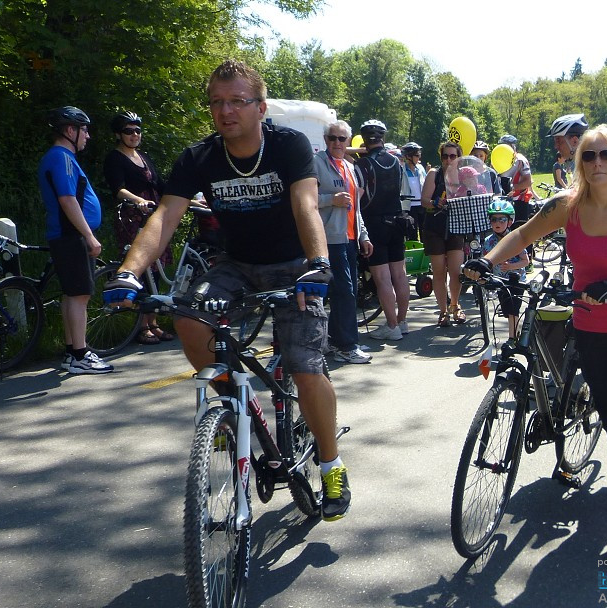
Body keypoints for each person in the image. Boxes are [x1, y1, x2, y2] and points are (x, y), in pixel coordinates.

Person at [103, 59, 350, 519]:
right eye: (217, 102)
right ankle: (235, 406)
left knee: (305, 366)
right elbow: (163, 219)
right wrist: (128, 272)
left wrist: (319, 264)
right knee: (188, 321)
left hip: (295, 266)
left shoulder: (288, 145)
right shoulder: (199, 157)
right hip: (236, 265)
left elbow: (305, 205)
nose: (226, 110)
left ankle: (332, 463)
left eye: (237, 101)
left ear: (260, 107)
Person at [464, 123, 607, 564]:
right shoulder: (568, 206)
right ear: (579, 163)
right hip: (591, 323)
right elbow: (522, 234)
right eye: (588, 156)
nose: (597, 163)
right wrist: (486, 261)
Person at [39, 106, 114, 374]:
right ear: (71, 130)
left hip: (67, 235)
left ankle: (72, 352)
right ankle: (82, 354)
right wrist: (89, 236)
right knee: (80, 295)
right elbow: (68, 199)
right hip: (71, 236)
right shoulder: (62, 158)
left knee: (72, 294)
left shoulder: (59, 157)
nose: (88, 136)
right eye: (84, 130)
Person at [103, 110, 175, 346]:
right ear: (118, 134)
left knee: (155, 269)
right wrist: (138, 200)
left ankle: (153, 323)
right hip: (133, 216)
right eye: (128, 131)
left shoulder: (143, 157)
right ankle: (142, 327)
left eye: (137, 130)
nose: (134, 134)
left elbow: (161, 185)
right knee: (141, 269)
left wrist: (189, 201)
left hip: (154, 215)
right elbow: (118, 189)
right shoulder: (115, 158)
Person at [316, 120, 373, 364]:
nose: (337, 143)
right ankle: (346, 345)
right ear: (325, 139)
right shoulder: (317, 163)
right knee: (345, 292)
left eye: (341, 139)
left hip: (349, 238)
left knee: (345, 292)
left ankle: (334, 340)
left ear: (349, 141)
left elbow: (355, 207)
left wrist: (363, 235)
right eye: (332, 138)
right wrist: (331, 200)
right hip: (329, 238)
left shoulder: (349, 167)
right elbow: (303, 200)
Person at [355, 119, 411, 340]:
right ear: (383, 138)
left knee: (382, 277)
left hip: (374, 223)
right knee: (400, 273)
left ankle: (391, 325)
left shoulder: (362, 164)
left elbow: (360, 196)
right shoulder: (397, 161)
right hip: (397, 220)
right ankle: (403, 321)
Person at [419, 141, 468, 327]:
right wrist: (435, 202)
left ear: (459, 157)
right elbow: (424, 200)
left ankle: (455, 306)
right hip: (434, 227)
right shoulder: (434, 174)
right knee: (439, 272)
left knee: (456, 272)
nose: (449, 159)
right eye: (445, 156)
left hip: (456, 226)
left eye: (453, 156)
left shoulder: (463, 175)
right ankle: (443, 311)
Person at [480, 199, 529, 340]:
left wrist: (511, 266)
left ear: (509, 221)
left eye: (502, 219)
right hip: (500, 281)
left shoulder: (515, 239)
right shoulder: (488, 241)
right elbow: (485, 261)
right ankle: (515, 333)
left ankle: (512, 339)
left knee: (513, 311)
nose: (497, 223)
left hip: (516, 281)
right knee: (507, 312)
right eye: (494, 219)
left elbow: (526, 261)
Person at [496, 134, 535, 226]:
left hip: (519, 201)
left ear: (513, 146)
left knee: (518, 229)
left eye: (506, 146)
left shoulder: (520, 160)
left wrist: (513, 187)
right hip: (503, 200)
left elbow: (527, 181)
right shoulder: (498, 158)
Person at [547, 113, 589, 182]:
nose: (556, 146)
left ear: (574, 141)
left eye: (558, 141)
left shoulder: (590, 167)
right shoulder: (578, 165)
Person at [400, 142, 426, 242]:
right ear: (408, 156)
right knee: (412, 233)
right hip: (409, 206)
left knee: (425, 233)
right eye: (416, 155)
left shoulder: (420, 169)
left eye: (419, 155)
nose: (418, 157)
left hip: (422, 205)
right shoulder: (402, 170)